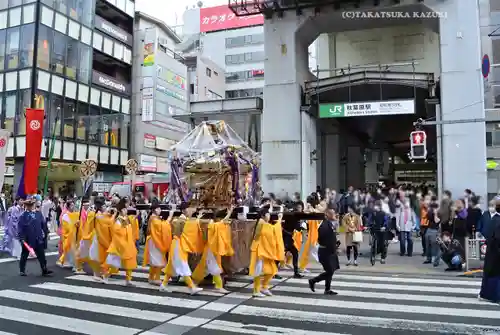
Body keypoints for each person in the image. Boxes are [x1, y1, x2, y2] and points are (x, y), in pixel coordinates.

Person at [249, 205, 284, 297]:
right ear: (263, 215)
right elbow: (273, 229)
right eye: (268, 214)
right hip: (259, 249)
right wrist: (279, 220)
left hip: (265, 250)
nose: (269, 216)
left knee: (271, 270)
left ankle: (264, 287)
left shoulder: (264, 223)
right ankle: (256, 291)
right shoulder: (261, 222)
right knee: (258, 270)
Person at [103, 199, 138, 286]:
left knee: (129, 261)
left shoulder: (126, 218)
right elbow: (117, 231)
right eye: (125, 208)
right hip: (118, 244)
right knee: (112, 262)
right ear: (121, 210)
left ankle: (128, 279)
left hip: (127, 244)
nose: (127, 210)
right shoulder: (119, 220)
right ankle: (105, 275)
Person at [308, 208, 340, 295]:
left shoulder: (330, 223)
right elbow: (321, 238)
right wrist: (331, 245)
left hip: (331, 251)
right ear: (328, 215)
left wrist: (336, 243)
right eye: (333, 214)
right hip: (325, 251)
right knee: (329, 271)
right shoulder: (324, 225)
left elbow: (331, 236)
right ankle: (313, 281)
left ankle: (327, 289)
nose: (335, 215)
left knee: (331, 270)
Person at [17, 198, 52, 277]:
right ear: (26, 206)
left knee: (41, 254)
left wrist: (46, 232)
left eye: (32, 205)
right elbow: (20, 228)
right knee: (24, 254)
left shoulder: (38, 214)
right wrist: (21, 238)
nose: (31, 206)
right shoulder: (23, 216)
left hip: (38, 238)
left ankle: (44, 269)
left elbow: (43, 224)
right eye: (29, 205)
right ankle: (22, 270)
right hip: (28, 239)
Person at [143, 204, 173, 285]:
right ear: (155, 210)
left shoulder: (154, 217)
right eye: (159, 209)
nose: (160, 210)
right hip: (155, 241)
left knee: (154, 260)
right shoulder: (154, 219)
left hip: (153, 240)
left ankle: (151, 277)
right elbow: (163, 226)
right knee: (159, 259)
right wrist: (169, 218)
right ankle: (157, 278)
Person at [478, 199, 500, 303]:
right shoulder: (494, 219)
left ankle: (488, 294)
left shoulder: (496, 221)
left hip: (493, 251)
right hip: (495, 251)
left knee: (491, 274)